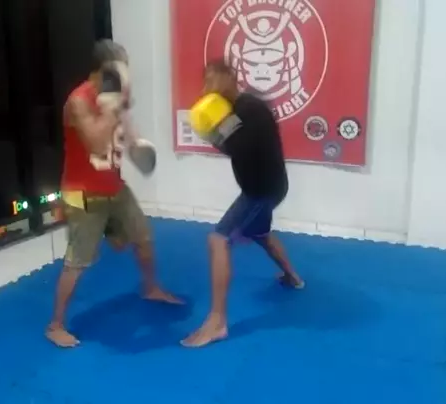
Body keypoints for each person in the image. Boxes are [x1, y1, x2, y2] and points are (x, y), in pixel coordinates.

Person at [46, 40, 182, 348]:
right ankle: (55, 325)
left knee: (143, 236)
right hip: (83, 195)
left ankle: (150, 287)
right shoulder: (78, 101)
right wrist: (112, 105)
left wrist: (137, 145)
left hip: (114, 187)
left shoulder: (114, 97)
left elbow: (126, 132)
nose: (125, 75)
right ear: (103, 70)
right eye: (119, 69)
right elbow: (96, 144)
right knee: (79, 261)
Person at [182, 60, 304, 348]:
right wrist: (214, 134)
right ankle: (293, 278)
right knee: (260, 233)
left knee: (218, 239)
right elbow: (235, 149)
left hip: (262, 190)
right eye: (206, 81)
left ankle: (217, 322)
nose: (208, 88)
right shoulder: (237, 109)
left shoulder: (249, 109)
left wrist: (214, 129)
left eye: (213, 80)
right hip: (264, 186)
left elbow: (240, 149)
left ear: (229, 78)